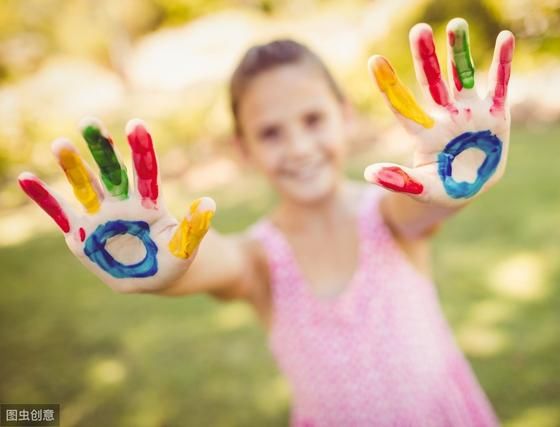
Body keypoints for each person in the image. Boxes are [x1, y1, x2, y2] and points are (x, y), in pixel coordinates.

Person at [18, 17, 514, 427]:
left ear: (345, 115)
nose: (298, 147)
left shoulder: (386, 212)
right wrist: (157, 261)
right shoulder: (261, 259)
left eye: (313, 120)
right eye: (271, 133)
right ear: (244, 149)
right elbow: (210, 261)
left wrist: (460, 180)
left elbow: (423, 209)